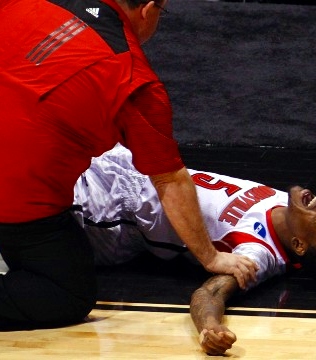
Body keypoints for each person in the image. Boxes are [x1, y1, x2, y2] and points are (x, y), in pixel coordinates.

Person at [69, 144, 316, 354]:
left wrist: (209, 330)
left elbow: (209, 293)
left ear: (299, 244)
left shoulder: (259, 252)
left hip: (109, 214)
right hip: (136, 165)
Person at [0, 0, 256, 328]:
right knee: (68, 291)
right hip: (19, 203)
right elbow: (170, 180)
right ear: (149, 9)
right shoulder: (134, 78)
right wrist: (211, 255)